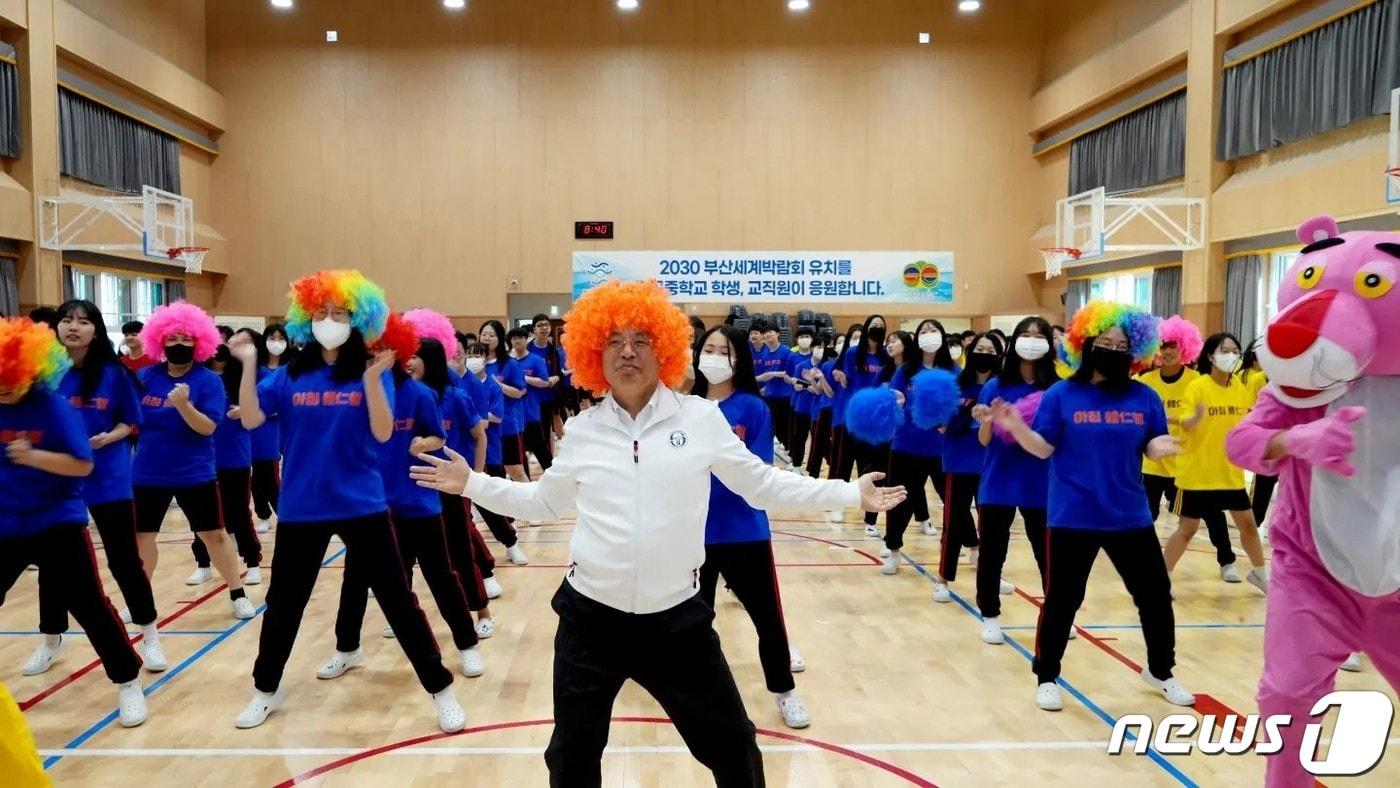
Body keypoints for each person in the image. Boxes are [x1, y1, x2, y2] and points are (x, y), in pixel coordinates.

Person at [411, 280, 905, 786]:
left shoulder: (701, 419)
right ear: (592, 352)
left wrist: (848, 493)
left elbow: (761, 485)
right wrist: (470, 482)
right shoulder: (583, 432)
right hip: (589, 622)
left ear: (665, 348)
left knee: (736, 751)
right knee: (572, 761)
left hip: (677, 625)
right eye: (614, 340)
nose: (627, 351)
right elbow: (541, 502)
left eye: (642, 339)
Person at [229, 270, 465, 732]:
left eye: (340, 313)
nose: (330, 320)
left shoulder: (373, 371)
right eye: (322, 312)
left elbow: (381, 432)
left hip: (363, 504)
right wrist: (249, 364)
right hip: (301, 507)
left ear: (357, 321)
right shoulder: (292, 375)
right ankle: (265, 690)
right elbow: (253, 417)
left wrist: (375, 381)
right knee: (284, 605)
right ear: (306, 318)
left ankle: (441, 690)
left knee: (399, 601)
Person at [990, 301, 1193, 712]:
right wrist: (1014, 427)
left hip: (1130, 516)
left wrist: (1162, 446)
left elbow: (1151, 443)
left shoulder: (1145, 396)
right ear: (1085, 344)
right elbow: (1044, 448)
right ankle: (1047, 675)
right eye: (1105, 342)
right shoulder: (1062, 394)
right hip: (1073, 516)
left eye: (1122, 345)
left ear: (1134, 350)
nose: (1113, 350)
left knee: (1155, 596)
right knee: (1063, 599)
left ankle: (1161, 669)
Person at [0, 317, 149, 727]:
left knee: (89, 605)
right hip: (6, 523)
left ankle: (128, 681)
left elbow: (83, 465)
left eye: (10, 382)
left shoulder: (51, 406)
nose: (4, 390)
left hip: (56, 520)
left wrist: (34, 457)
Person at [319, 334, 487, 682]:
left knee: (440, 575)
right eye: (374, 350)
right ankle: (346, 649)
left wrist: (424, 441)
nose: (381, 355)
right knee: (355, 578)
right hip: (369, 506)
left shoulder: (420, 394)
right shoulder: (355, 394)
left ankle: (467, 645)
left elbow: (439, 437)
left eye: (387, 349)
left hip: (419, 502)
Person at [24, 300, 164, 678]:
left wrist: (108, 437)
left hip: (108, 478)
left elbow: (131, 422)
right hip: (56, 482)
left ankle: (149, 633)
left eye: (83, 321)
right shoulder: (40, 374)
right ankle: (51, 639)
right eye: (66, 320)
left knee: (123, 561)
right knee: (53, 566)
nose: (73, 327)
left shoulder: (113, 374)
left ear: (97, 331)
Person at [691, 324, 811, 730]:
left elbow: (756, 473)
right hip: (691, 535)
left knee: (768, 619)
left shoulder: (753, 408)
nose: (715, 356)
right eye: (708, 348)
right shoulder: (682, 407)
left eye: (724, 350)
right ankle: (699, 693)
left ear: (738, 359)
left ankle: (784, 692)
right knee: (693, 621)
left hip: (745, 531)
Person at [131, 303, 252, 619]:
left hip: (193, 472)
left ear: (198, 342)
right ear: (160, 341)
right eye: (171, 339)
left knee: (213, 534)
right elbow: (130, 419)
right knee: (143, 537)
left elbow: (208, 427)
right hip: (147, 472)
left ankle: (237, 592)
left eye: (186, 338)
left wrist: (184, 405)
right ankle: (141, 599)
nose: (178, 345)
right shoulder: (144, 377)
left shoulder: (209, 381)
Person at [971, 316, 1056, 645]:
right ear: (1015, 340)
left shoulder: (1056, 388)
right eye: (1026, 334)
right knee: (992, 551)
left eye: (1039, 335)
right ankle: (990, 614)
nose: (1032, 340)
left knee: (1047, 554)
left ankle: (1057, 612)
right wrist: (988, 421)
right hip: (999, 479)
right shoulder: (995, 385)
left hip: (1041, 482)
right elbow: (982, 441)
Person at [1161, 333, 1269, 593]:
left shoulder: (1240, 389)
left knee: (1249, 525)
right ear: (1210, 356)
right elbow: (1185, 422)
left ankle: (1261, 575)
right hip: (1198, 473)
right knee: (1187, 529)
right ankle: (1161, 579)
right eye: (1225, 350)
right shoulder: (1198, 386)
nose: (1231, 355)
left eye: (1235, 350)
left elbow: (1246, 422)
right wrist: (1195, 418)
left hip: (1229, 472)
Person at [1138, 318, 1240, 580]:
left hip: (1189, 464)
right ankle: (1149, 565)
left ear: (1184, 348)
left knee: (1212, 516)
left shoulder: (1198, 380)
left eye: (1172, 345)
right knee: (1144, 516)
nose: (1167, 351)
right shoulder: (1145, 382)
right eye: (1162, 346)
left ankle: (1227, 561)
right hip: (1154, 463)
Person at [879, 321, 957, 572]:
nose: (929, 336)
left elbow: (960, 406)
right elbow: (895, 398)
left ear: (942, 337)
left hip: (942, 450)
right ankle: (893, 551)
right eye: (924, 332)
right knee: (899, 500)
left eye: (934, 331)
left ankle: (973, 548)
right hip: (906, 445)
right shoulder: (906, 370)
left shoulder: (954, 371)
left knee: (955, 503)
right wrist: (898, 402)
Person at [189, 329, 264, 587]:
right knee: (202, 517)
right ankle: (203, 563)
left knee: (240, 512)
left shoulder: (243, 376)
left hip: (235, 455)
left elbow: (259, 409)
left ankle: (252, 562)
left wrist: (244, 411)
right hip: (202, 457)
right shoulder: (199, 377)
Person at [932, 332, 1001, 603]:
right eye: (980, 348)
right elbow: (941, 420)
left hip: (992, 464)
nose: (985, 353)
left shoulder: (1001, 386)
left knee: (993, 527)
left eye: (990, 349)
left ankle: (992, 576)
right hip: (959, 460)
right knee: (954, 520)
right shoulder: (956, 385)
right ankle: (943, 578)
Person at [462, 341, 528, 569]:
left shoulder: (489, 385)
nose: (472, 358)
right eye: (469, 354)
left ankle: (510, 542)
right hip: (460, 453)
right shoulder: (455, 384)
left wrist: (471, 420)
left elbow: (492, 418)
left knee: (488, 502)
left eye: (476, 354)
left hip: (487, 452)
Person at [842, 314, 893, 536]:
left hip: (880, 418)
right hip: (858, 416)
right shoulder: (854, 354)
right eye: (874, 326)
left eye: (882, 327)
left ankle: (870, 519)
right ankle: (847, 502)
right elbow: (846, 380)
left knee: (876, 466)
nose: (878, 329)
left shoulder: (886, 356)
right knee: (857, 462)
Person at [480, 320, 529, 483]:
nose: (487, 338)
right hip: (483, 427)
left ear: (500, 338)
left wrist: (499, 386)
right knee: (488, 473)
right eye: (484, 334)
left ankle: (530, 506)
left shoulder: (509, 364)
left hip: (506, 425)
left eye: (491, 335)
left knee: (514, 469)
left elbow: (520, 392)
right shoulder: (474, 365)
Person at [251, 323, 289, 534]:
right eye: (271, 337)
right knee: (257, 475)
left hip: (278, 427)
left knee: (271, 475)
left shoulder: (291, 368)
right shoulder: (257, 368)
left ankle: (284, 513)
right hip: (257, 426)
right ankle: (263, 515)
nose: (276, 342)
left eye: (280, 338)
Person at [510, 326, 556, 478]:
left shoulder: (535, 360)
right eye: (514, 338)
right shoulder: (509, 362)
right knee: (518, 452)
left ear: (526, 340)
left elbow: (544, 382)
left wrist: (523, 378)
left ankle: (554, 478)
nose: (518, 341)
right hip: (513, 416)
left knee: (540, 449)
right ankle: (526, 483)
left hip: (531, 413)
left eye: (521, 338)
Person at [1239, 343, 1277, 527]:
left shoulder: (1294, 379)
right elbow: (1248, 409)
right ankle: (1254, 524)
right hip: (1266, 439)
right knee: (1264, 485)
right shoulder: (1257, 379)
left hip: (1289, 438)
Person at [754, 321, 793, 455]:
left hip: (785, 395)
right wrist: (762, 386)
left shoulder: (786, 351)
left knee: (785, 426)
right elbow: (765, 375)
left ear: (777, 334)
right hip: (770, 395)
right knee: (774, 426)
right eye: (765, 333)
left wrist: (772, 374)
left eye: (770, 331)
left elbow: (790, 373)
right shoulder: (765, 354)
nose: (767, 334)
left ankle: (791, 453)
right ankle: (785, 447)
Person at [802, 335, 836, 479]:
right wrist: (811, 381)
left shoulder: (835, 365)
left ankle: (825, 468)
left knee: (822, 442)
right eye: (819, 346)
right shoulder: (823, 366)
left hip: (835, 409)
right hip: (821, 408)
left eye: (825, 346)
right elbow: (818, 391)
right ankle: (814, 472)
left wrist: (820, 379)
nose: (822, 349)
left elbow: (832, 393)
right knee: (818, 441)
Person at [785, 326, 817, 471]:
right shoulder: (793, 357)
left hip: (817, 405)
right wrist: (804, 385)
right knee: (799, 435)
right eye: (802, 336)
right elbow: (791, 378)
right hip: (800, 402)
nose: (805, 339)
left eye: (807, 336)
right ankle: (796, 463)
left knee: (818, 437)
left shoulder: (818, 359)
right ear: (797, 340)